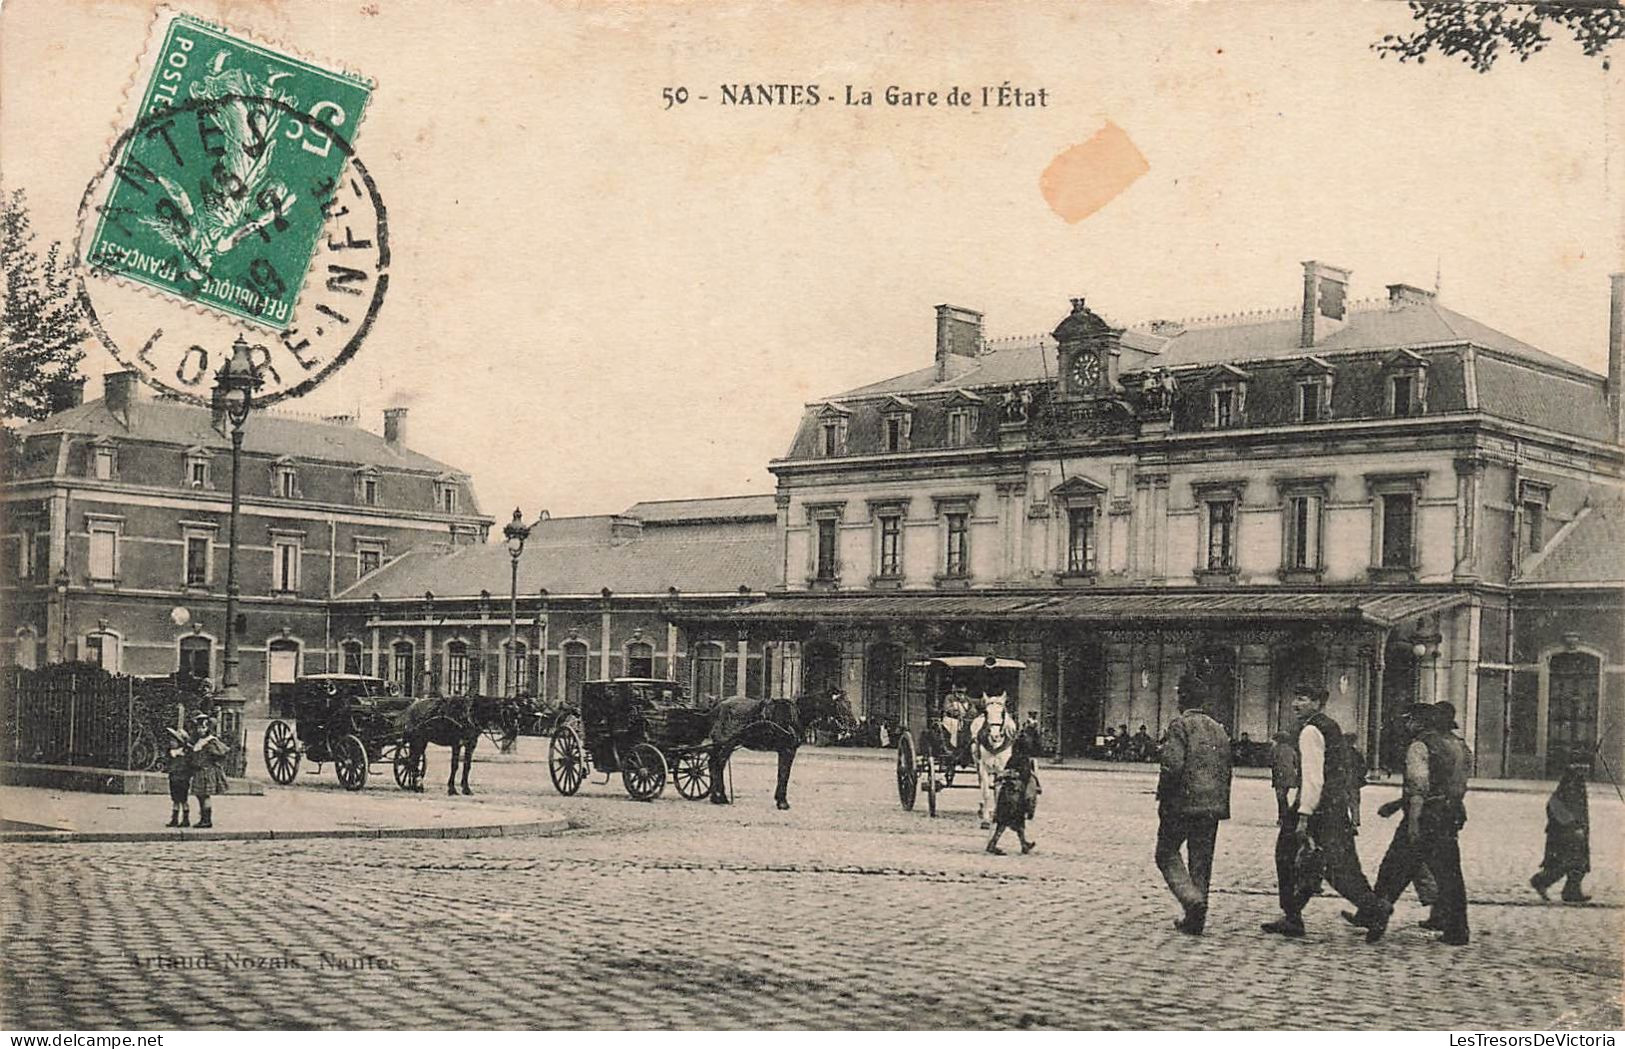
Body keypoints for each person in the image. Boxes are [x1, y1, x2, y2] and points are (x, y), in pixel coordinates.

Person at [1263, 684, 1392, 942]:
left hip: (1317, 807)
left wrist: (1304, 814)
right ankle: (1372, 907)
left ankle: (1373, 909)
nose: (1295, 704)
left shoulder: (1310, 730)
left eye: (1302, 699)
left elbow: (1313, 777)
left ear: (1317, 703)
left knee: (1289, 856)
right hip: (1335, 806)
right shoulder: (1330, 726)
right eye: (1295, 698)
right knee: (1341, 865)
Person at [1155, 674, 1233, 936]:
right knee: (1202, 861)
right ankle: (1196, 919)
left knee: (1165, 853)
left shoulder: (1180, 725)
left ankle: (1191, 900)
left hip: (1181, 803)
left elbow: (1172, 766)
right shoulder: (1218, 728)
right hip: (1212, 805)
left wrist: (1164, 798)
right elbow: (1226, 768)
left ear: (1181, 699)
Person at [1531, 763, 1592, 904]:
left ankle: (1572, 891)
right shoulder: (1571, 783)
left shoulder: (1577, 783)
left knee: (1578, 863)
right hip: (1566, 832)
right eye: (1582, 768)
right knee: (1565, 863)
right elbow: (1554, 805)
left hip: (1576, 830)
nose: (1586, 770)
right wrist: (1572, 825)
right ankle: (1541, 881)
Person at [1265, 730, 1301, 927]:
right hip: (1290, 777)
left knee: (1280, 798)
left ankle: (1282, 816)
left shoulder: (1277, 749)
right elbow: (1296, 763)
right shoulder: (1292, 749)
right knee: (1284, 797)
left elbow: (1270, 761)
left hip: (1280, 777)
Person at [987, 725, 1041, 856]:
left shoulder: (1015, 757)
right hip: (1015, 794)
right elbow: (1025, 778)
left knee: (1013, 820)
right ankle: (993, 844)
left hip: (1010, 792)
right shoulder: (1024, 760)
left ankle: (1023, 844)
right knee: (1009, 820)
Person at [188, 713, 230, 829]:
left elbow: (220, 753)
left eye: (203, 727)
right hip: (199, 772)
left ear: (208, 728)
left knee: (205, 795)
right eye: (199, 727)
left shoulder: (210, 741)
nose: (200, 730)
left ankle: (206, 820)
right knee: (199, 795)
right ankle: (203, 818)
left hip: (206, 771)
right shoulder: (199, 740)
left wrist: (209, 760)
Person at [163, 724, 194, 828]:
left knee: (183, 800)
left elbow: (190, 766)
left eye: (174, 741)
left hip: (183, 779)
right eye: (171, 741)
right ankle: (174, 819)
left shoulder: (185, 754)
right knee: (175, 799)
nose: (171, 743)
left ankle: (186, 819)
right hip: (173, 778)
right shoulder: (171, 753)